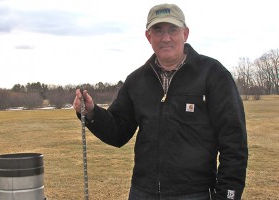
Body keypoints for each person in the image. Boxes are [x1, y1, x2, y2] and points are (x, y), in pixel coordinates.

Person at [73, 3, 248, 200]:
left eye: (173, 29)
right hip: (142, 192)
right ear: (149, 36)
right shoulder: (136, 80)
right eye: (158, 30)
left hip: (195, 193)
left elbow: (234, 143)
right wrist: (92, 112)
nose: (166, 38)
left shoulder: (213, 75)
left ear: (185, 33)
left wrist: (228, 195)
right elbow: (118, 132)